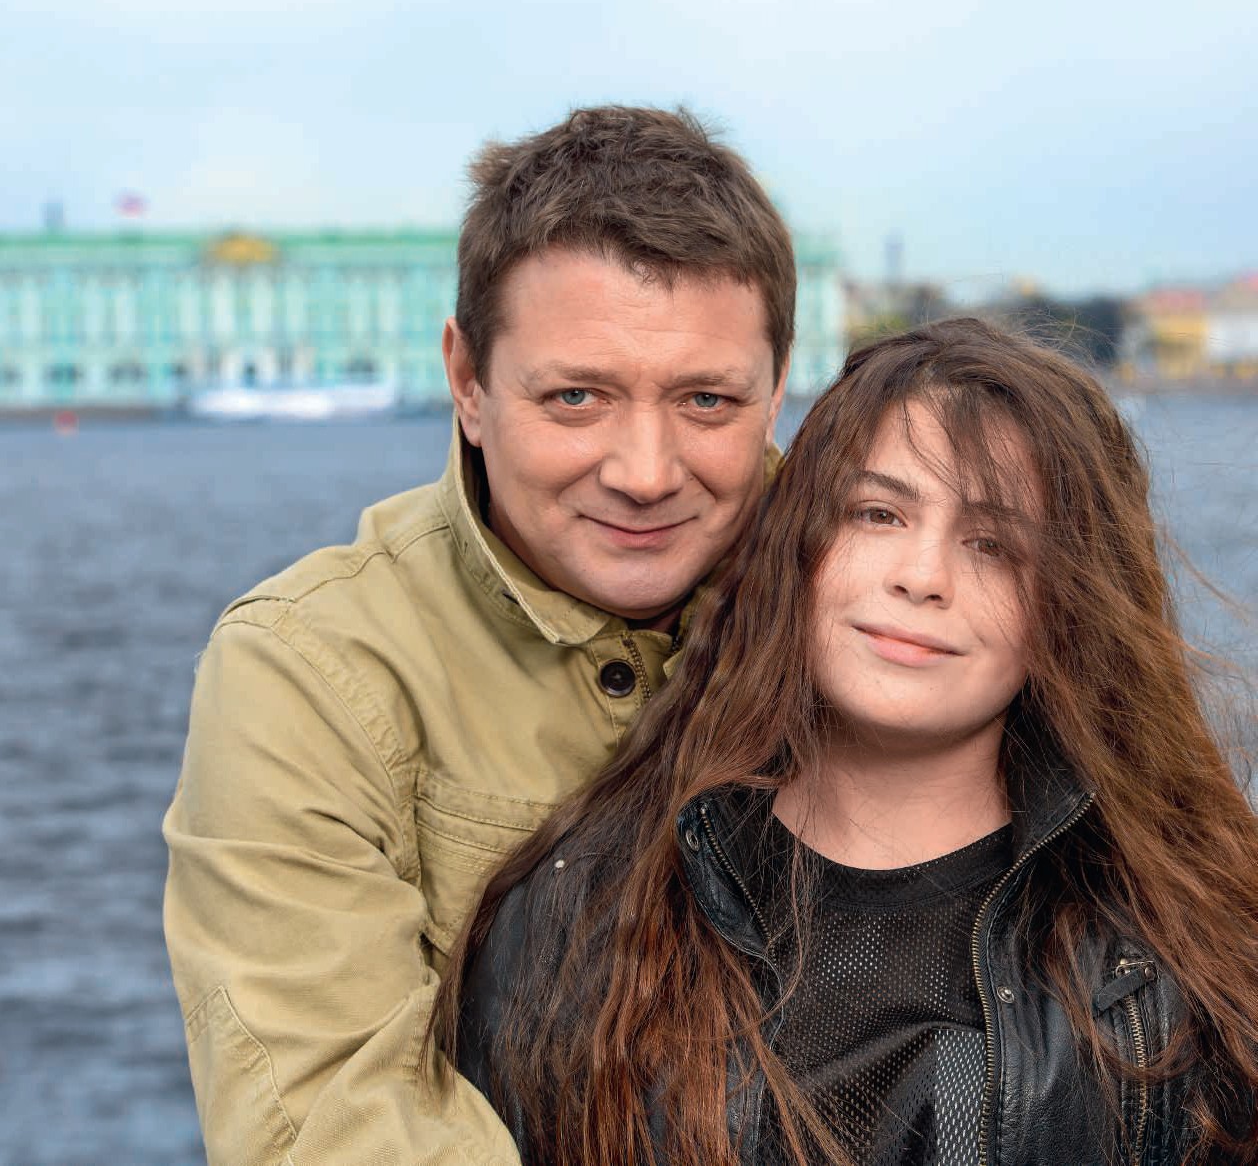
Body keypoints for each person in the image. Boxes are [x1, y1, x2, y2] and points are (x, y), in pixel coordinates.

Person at [437, 317, 1258, 1166]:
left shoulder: (1175, 972)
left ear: (1069, 606)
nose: (922, 576)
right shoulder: (577, 912)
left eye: (993, 545)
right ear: (801, 545)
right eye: (878, 512)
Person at [162, 105, 796, 1165]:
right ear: (467, 380)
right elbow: (333, 1121)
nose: (645, 472)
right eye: (577, 397)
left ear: (774, 391)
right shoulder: (305, 668)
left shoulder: (896, 611)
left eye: (705, 400)